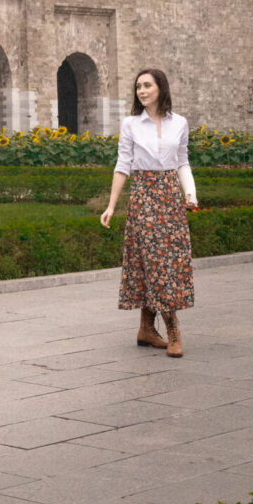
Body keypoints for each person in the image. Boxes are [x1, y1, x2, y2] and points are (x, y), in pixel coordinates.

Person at [100, 67, 196, 357]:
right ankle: (173, 330)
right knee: (155, 262)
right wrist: (111, 205)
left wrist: (190, 194)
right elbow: (122, 165)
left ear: (160, 88)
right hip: (143, 197)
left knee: (164, 262)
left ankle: (146, 327)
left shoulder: (179, 123)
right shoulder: (131, 124)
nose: (141, 91)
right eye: (138, 87)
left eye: (147, 86)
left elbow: (182, 161)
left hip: (170, 196)